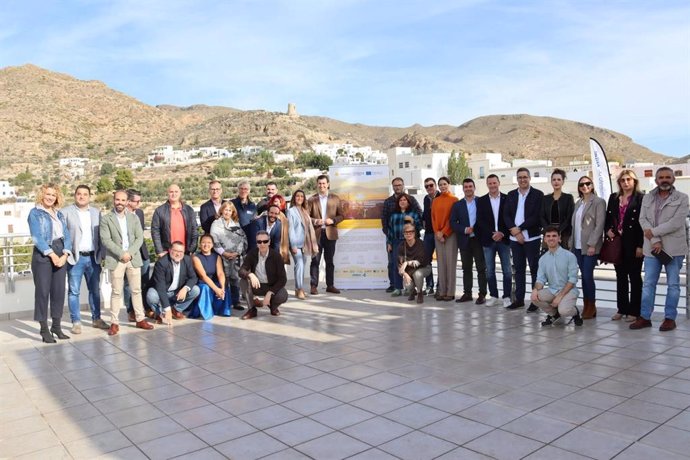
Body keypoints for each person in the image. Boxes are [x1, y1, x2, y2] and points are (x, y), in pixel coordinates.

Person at [630, 167, 689, 332]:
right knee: (648, 284)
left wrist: (653, 233)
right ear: (656, 180)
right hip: (651, 248)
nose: (664, 180)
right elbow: (643, 219)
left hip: (673, 249)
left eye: (668, 177)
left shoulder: (683, 198)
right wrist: (654, 239)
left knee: (673, 285)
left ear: (673, 179)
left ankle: (670, 318)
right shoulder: (647, 197)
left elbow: (676, 223)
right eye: (661, 177)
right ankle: (645, 317)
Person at [100, 190, 154, 335]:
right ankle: (114, 323)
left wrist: (129, 253)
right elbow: (106, 240)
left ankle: (140, 319)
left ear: (127, 202)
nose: (120, 202)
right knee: (116, 292)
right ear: (113, 201)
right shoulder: (106, 219)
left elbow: (139, 238)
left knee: (136, 290)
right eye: (117, 200)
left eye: (123, 200)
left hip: (133, 258)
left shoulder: (133, 218)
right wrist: (121, 253)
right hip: (116, 260)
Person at [28, 184, 72, 343]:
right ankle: (44, 329)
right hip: (44, 254)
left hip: (61, 251)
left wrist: (66, 254)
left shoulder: (59, 214)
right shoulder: (35, 213)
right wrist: (52, 255)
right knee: (42, 293)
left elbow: (66, 235)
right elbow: (37, 237)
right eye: (48, 194)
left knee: (59, 292)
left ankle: (57, 327)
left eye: (53, 195)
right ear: (42, 195)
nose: (50, 197)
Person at [63, 185, 107, 333]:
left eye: (85, 194)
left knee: (95, 290)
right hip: (75, 258)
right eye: (79, 194)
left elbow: (102, 235)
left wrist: (102, 254)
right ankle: (76, 322)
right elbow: (62, 235)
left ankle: (97, 319)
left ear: (89, 196)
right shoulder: (66, 212)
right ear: (75, 195)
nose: (82, 197)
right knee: (73, 291)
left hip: (93, 257)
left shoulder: (96, 212)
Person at [604, 170, 644, 322]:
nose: (626, 182)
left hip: (634, 244)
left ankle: (635, 311)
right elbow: (608, 218)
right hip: (617, 244)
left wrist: (640, 245)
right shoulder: (613, 198)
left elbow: (643, 223)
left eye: (629, 179)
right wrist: (607, 230)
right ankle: (622, 308)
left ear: (634, 181)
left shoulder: (641, 198)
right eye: (623, 180)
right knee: (620, 277)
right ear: (619, 182)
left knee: (634, 277)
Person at [504, 167, 544, 311]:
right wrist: (515, 232)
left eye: (525, 177)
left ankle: (535, 301)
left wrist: (519, 229)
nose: (522, 179)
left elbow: (536, 217)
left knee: (535, 270)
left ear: (529, 178)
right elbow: (506, 215)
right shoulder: (511, 195)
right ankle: (519, 299)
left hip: (532, 238)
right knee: (519, 270)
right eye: (520, 177)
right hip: (515, 240)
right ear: (517, 179)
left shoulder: (538, 195)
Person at [569, 175, 606, 319]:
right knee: (583, 277)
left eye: (587, 183)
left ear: (592, 185)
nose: (585, 186)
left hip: (590, 247)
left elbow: (599, 225)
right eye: (581, 184)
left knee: (587, 276)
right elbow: (575, 225)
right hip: (577, 247)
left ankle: (591, 305)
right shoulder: (578, 203)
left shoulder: (598, 202)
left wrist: (592, 244)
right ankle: (586, 305)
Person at [531, 226, 583, 327]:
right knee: (535, 298)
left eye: (554, 236)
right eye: (548, 236)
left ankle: (575, 312)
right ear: (545, 239)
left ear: (559, 238)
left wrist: (559, 297)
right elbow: (540, 279)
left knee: (564, 310)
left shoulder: (569, 256)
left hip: (569, 291)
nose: (551, 238)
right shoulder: (543, 259)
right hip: (552, 290)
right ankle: (554, 314)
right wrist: (535, 290)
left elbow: (573, 280)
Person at [476, 174, 512, 307]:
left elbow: (509, 218)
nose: (492, 185)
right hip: (488, 239)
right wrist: (492, 234)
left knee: (507, 270)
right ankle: (494, 295)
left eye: (494, 183)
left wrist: (502, 233)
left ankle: (507, 296)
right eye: (490, 183)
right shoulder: (481, 201)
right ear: (487, 185)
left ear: (499, 183)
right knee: (490, 270)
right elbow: (480, 221)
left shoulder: (507, 199)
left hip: (504, 239)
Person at [450, 178, 488, 304]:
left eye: (470, 186)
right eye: (466, 186)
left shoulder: (481, 202)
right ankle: (467, 293)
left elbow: (485, 219)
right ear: (463, 189)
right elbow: (453, 223)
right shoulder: (457, 205)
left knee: (481, 268)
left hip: (478, 239)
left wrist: (477, 229)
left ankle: (482, 294)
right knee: (466, 268)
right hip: (464, 240)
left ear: (474, 187)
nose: (468, 188)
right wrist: (465, 229)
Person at [382, 178, 422, 293]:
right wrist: (389, 241)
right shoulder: (391, 209)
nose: (397, 187)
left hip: (410, 242)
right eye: (395, 185)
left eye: (399, 185)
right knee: (395, 264)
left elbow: (420, 220)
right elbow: (386, 224)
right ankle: (396, 286)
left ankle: (410, 288)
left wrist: (412, 221)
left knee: (410, 264)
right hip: (395, 241)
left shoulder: (412, 207)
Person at [146, 241, 200, 324]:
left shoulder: (187, 259)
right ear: (170, 250)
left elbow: (193, 278)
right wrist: (167, 309)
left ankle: (175, 310)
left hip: (176, 292)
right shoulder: (161, 263)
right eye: (175, 251)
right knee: (151, 295)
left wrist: (185, 289)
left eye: (181, 251)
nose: (178, 254)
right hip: (162, 292)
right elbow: (160, 288)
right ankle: (159, 313)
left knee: (195, 290)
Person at [238, 230, 288, 319]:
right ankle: (252, 309)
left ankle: (273, 306)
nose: (262, 244)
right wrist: (250, 274)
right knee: (243, 282)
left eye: (265, 241)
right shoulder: (252, 254)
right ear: (256, 243)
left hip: (271, 286)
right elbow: (241, 271)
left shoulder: (276, 256)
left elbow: (283, 279)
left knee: (283, 295)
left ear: (269, 242)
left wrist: (270, 292)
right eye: (259, 242)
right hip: (257, 285)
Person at [308, 174, 344, 295]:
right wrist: (316, 221)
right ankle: (313, 286)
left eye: (324, 183)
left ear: (328, 184)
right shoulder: (312, 199)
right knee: (315, 261)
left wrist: (333, 221)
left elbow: (342, 216)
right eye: (319, 183)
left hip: (330, 234)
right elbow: (307, 217)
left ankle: (330, 285)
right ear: (317, 184)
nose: (322, 185)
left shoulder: (335, 198)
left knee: (330, 261)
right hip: (316, 234)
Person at [210, 201, 248, 312]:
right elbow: (214, 240)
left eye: (230, 210)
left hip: (235, 257)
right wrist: (224, 253)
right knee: (223, 279)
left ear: (233, 212)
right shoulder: (216, 224)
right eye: (225, 210)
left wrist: (237, 252)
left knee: (235, 279)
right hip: (221, 256)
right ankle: (224, 302)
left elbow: (242, 238)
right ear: (222, 210)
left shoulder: (235, 224)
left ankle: (236, 302)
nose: (227, 212)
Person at [124, 188, 152, 321]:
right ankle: (131, 311)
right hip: (129, 254)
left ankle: (145, 308)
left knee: (145, 282)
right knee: (129, 284)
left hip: (143, 253)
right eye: (137, 201)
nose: (139, 204)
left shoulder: (140, 213)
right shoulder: (121, 214)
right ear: (128, 201)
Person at [431, 176, 459, 301]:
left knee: (450, 264)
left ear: (449, 184)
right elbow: (433, 219)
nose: (442, 186)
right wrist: (437, 232)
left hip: (450, 235)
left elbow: (452, 219)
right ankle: (442, 291)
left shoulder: (454, 200)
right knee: (440, 264)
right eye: (440, 184)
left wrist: (444, 232)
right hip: (438, 235)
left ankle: (450, 292)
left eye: (444, 184)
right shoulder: (435, 201)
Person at [151, 184, 198, 257]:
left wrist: (192, 249)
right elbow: (155, 232)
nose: (174, 194)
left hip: (186, 252)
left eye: (176, 191)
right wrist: (160, 251)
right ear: (167, 193)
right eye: (171, 192)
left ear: (180, 193)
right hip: (167, 252)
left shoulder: (189, 210)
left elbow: (194, 230)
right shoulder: (159, 211)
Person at [188, 234, 228, 319]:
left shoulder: (216, 256)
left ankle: (221, 310)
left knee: (223, 284)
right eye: (203, 242)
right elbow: (203, 276)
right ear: (200, 244)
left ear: (212, 245)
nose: (206, 245)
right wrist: (216, 289)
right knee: (205, 287)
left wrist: (222, 288)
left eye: (209, 242)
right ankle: (207, 313)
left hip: (212, 281)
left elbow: (220, 273)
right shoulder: (196, 257)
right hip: (201, 283)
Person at [288, 190, 318, 299]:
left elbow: (308, 225)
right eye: (297, 196)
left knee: (302, 265)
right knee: (299, 264)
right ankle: (299, 289)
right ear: (294, 198)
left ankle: (298, 289)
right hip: (296, 243)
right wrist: (293, 245)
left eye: (302, 196)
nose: (299, 198)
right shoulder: (291, 211)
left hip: (305, 243)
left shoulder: (305, 211)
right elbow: (290, 230)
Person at [540, 169, 575, 249]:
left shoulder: (568, 198)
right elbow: (541, 216)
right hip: (548, 234)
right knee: (548, 258)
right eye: (554, 179)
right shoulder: (545, 199)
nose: (556, 182)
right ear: (551, 182)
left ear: (563, 182)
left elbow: (569, 217)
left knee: (563, 259)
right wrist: (548, 231)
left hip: (564, 234)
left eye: (559, 179)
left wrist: (558, 232)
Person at [398, 222, 432, 304]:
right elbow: (399, 265)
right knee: (407, 283)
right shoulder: (401, 246)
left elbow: (420, 261)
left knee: (417, 274)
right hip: (410, 271)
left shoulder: (420, 243)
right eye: (406, 232)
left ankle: (420, 293)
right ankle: (412, 291)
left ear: (414, 233)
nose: (409, 234)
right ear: (403, 234)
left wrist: (407, 263)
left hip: (424, 267)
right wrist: (405, 275)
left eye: (411, 232)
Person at [422, 177, 440, 295]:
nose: (429, 188)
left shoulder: (441, 197)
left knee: (442, 262)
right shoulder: (426, 198)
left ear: (435, 186)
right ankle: (429, 286)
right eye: (426, 186)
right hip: (428, 234)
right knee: (426, 260)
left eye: (431, 185)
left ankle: (440, 287)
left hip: (440, 234)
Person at [231, 180, 258, 250]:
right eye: (241, 189)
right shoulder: (231, 204)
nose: (243, 191)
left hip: (249, 239)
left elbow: (254, 220)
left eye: (246, 189)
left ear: (249, 191)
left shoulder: (253, 205)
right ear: (238, 190)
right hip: (234, 238)